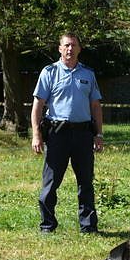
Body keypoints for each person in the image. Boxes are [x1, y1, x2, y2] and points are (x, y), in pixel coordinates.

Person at [31, 32, 104, 233]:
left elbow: (95, 105)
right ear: (60, 48)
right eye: (66, 45)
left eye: (73, 45)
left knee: (86, 181)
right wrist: (36, 134)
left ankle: (88, 226)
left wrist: (98, 134)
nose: (70, 49)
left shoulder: (88, 74)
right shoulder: (49, 72)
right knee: (51, 182)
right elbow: (38, 105)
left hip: (83, 135)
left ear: (79, 48)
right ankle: (47, 225)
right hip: (57, 134)